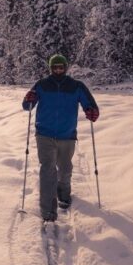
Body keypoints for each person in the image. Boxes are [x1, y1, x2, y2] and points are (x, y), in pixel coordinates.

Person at [22, 54, 99, 221]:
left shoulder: (76, 86)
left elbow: (90, 104)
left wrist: (92, 111)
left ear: (65, 67)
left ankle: (63, 194)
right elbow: (26, 106)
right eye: (55, 67)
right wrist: (28, 99)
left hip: (67, 135)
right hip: (44, 134)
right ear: (51, 68)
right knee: (47, 170)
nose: (58, 70)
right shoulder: (42, 85)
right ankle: (48, 211)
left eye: (61, 67)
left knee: (65, 170)